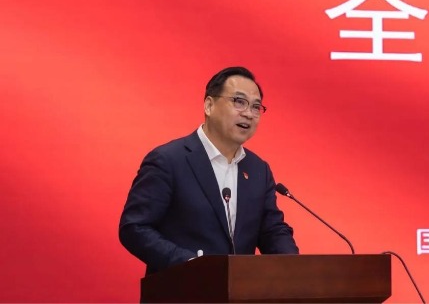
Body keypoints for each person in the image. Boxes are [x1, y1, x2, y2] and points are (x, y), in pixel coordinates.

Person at [119, 66, 298, 275]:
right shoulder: (168, 160)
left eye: (256, 107)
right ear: (209, 105)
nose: (249, 113)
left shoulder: (258, 170)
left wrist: (296, 268)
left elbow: (272, 231)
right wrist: (189, 263)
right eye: (239, 102)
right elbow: (134, 227)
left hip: (239, 290)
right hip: (182, 286)